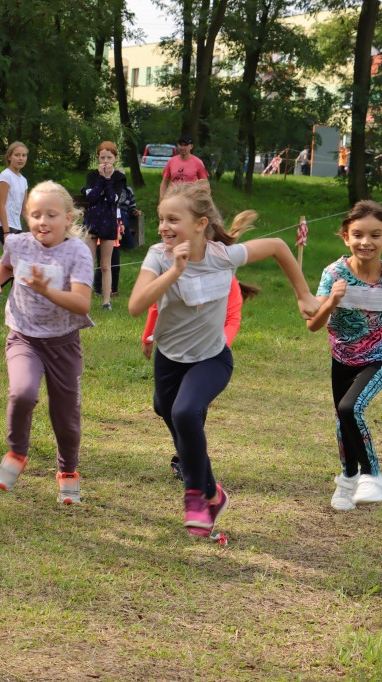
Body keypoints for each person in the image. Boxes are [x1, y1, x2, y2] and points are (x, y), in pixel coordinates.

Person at [127, 183, 319, 537]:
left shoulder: (223, 257)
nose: (164, 227)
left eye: (173, 219)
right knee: (168, 412)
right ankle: (214, 493)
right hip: (169, 360)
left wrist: (304, 294)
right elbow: (136, 305)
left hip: (212, 359)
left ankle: (196, 497)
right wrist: (174, 271)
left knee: (185, 413)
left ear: (200, 224)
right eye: (161, 219)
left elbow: (278, 246)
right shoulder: (158, 256)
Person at [0, 181, 94, 501]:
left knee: (66, 416)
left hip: (63, 343)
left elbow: (82, 303)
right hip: (24, 336)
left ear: (68, 218)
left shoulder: (77, 252)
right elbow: (4, 267)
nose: (42, 221)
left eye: (51, 215)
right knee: (22, 392)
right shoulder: (18, 244)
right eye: (35, 214)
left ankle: (68, 470)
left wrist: (47, 291)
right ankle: (16, 454)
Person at [142, 276, 258, 481]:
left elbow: (232, 319)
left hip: (207, 353)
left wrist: (216, 347)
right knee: (161, 405)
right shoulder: (173, 269)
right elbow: (156, 305)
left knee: (190, 406)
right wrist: (148, 336)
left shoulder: (226, 277)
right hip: (173, 349)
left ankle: (186, 458)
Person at [307, 201, 382, 509]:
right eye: (358, 235)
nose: (367, 242)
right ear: (345, 237)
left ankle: (372, 475)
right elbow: (313, 324)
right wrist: (331, 302)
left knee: (351, 407)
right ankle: (348, 478)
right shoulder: (334, 273)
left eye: (376, 235)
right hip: (342, 359)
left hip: (377, 358)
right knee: (343, 419)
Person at [84, 141, 128, 311]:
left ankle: (106, 301)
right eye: (102, 157)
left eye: (109, 157)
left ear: (115, 159)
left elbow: (113, 199)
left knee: (105, 264)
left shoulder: (119, 177)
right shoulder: (92, 175)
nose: (105, 161)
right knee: (88, 262)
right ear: (98, 157)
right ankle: (85, 298)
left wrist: (108, 179)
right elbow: (92, 197)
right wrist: (101, 179)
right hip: (92, 222)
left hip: (108, 223)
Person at [0, 141, 28, 245]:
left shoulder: (23, 180)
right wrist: (6, 232)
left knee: (15, 256)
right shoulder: (6, 176)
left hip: (16, 225)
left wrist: (35, 229)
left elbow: (24, 210)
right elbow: (0, 205)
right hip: (2, 225)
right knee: (15, 254)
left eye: (24, 155)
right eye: (17, 155)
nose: (21, 158)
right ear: (9, 157)